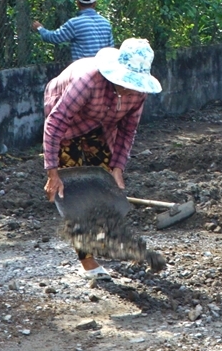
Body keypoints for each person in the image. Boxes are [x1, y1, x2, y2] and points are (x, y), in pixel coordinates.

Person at [41, 38, 162, 280]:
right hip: (66, 124)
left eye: (134, 85)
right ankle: (87, 261)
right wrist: (53, 171)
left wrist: (117, 167)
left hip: (100, 126)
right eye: (126, 83)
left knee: (103, 182)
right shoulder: (88, 81)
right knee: (72, 191)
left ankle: (101, 235)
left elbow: (128, 130)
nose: (130, 89)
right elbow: (55, 123)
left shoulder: (138, 94)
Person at [33, 0, 114, 61]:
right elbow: (111, 49)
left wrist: (40, 28)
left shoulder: (75, 23)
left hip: (84, 71)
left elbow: (54, 38)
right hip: (103, 70)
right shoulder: (105, 23)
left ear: (77, 3)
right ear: (95, 4)